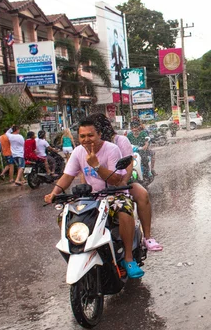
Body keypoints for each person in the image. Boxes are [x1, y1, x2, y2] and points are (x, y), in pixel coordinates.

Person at [44, 117, 145, 278]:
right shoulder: (78, 152)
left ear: (99, 134)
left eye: (90, 135)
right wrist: (53, 193)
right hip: (91, 197)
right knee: (65, 216)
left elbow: (116, 180)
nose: (86, 140)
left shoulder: (111, 149)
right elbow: (67, 176)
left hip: (114, 194)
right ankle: (79, 250)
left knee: (124, 211)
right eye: (82, 136)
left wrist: (96, 166)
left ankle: (128, 258)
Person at [90, 113, 163, 251]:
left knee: (142, 194)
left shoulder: (120, 141)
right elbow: (81, 170)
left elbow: (129, 164)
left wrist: (122, 182)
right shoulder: (88, 146)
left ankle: (147, 237)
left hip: (121, 185)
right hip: (98, 189)